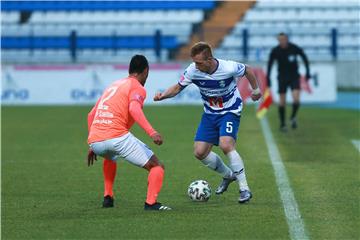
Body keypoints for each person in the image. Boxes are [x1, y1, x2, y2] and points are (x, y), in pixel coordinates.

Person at [154, 42, 261, 203]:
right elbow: (177, 87)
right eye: (194, 62)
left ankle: (244, 188)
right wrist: (163, 96)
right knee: (200, 152)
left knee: (226, 145)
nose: (195, 66)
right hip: (210, 113)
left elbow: (248, 69)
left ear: (209, 59)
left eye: (199, 63)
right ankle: (228, 176)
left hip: (230, 111)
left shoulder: (228, 67)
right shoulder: (193, 70)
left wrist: (256, 90)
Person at [87, 55, 171, 211]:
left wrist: (92, 144)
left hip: (96, 141)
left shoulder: (114, 84)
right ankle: (151, 203)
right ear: (146, 71)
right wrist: (152, 132)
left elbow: (91, 114)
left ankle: (108, 196)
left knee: (110, 156)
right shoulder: (137, 87)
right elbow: (134, 109)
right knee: (157, 166)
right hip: (117, 137)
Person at [267, 32, 311, 132]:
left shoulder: (294, 48)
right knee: (282, 101)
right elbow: (270, 64)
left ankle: (293, 117)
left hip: (294, 76)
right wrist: (268, 78)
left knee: (296, 99)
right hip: (282, 77)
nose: (282, 41)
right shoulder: (275, 50)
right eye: (280, 40)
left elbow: (304, 57)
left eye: (283, 39)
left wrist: (308, 71)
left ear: (287, 39)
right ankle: (282, 124)